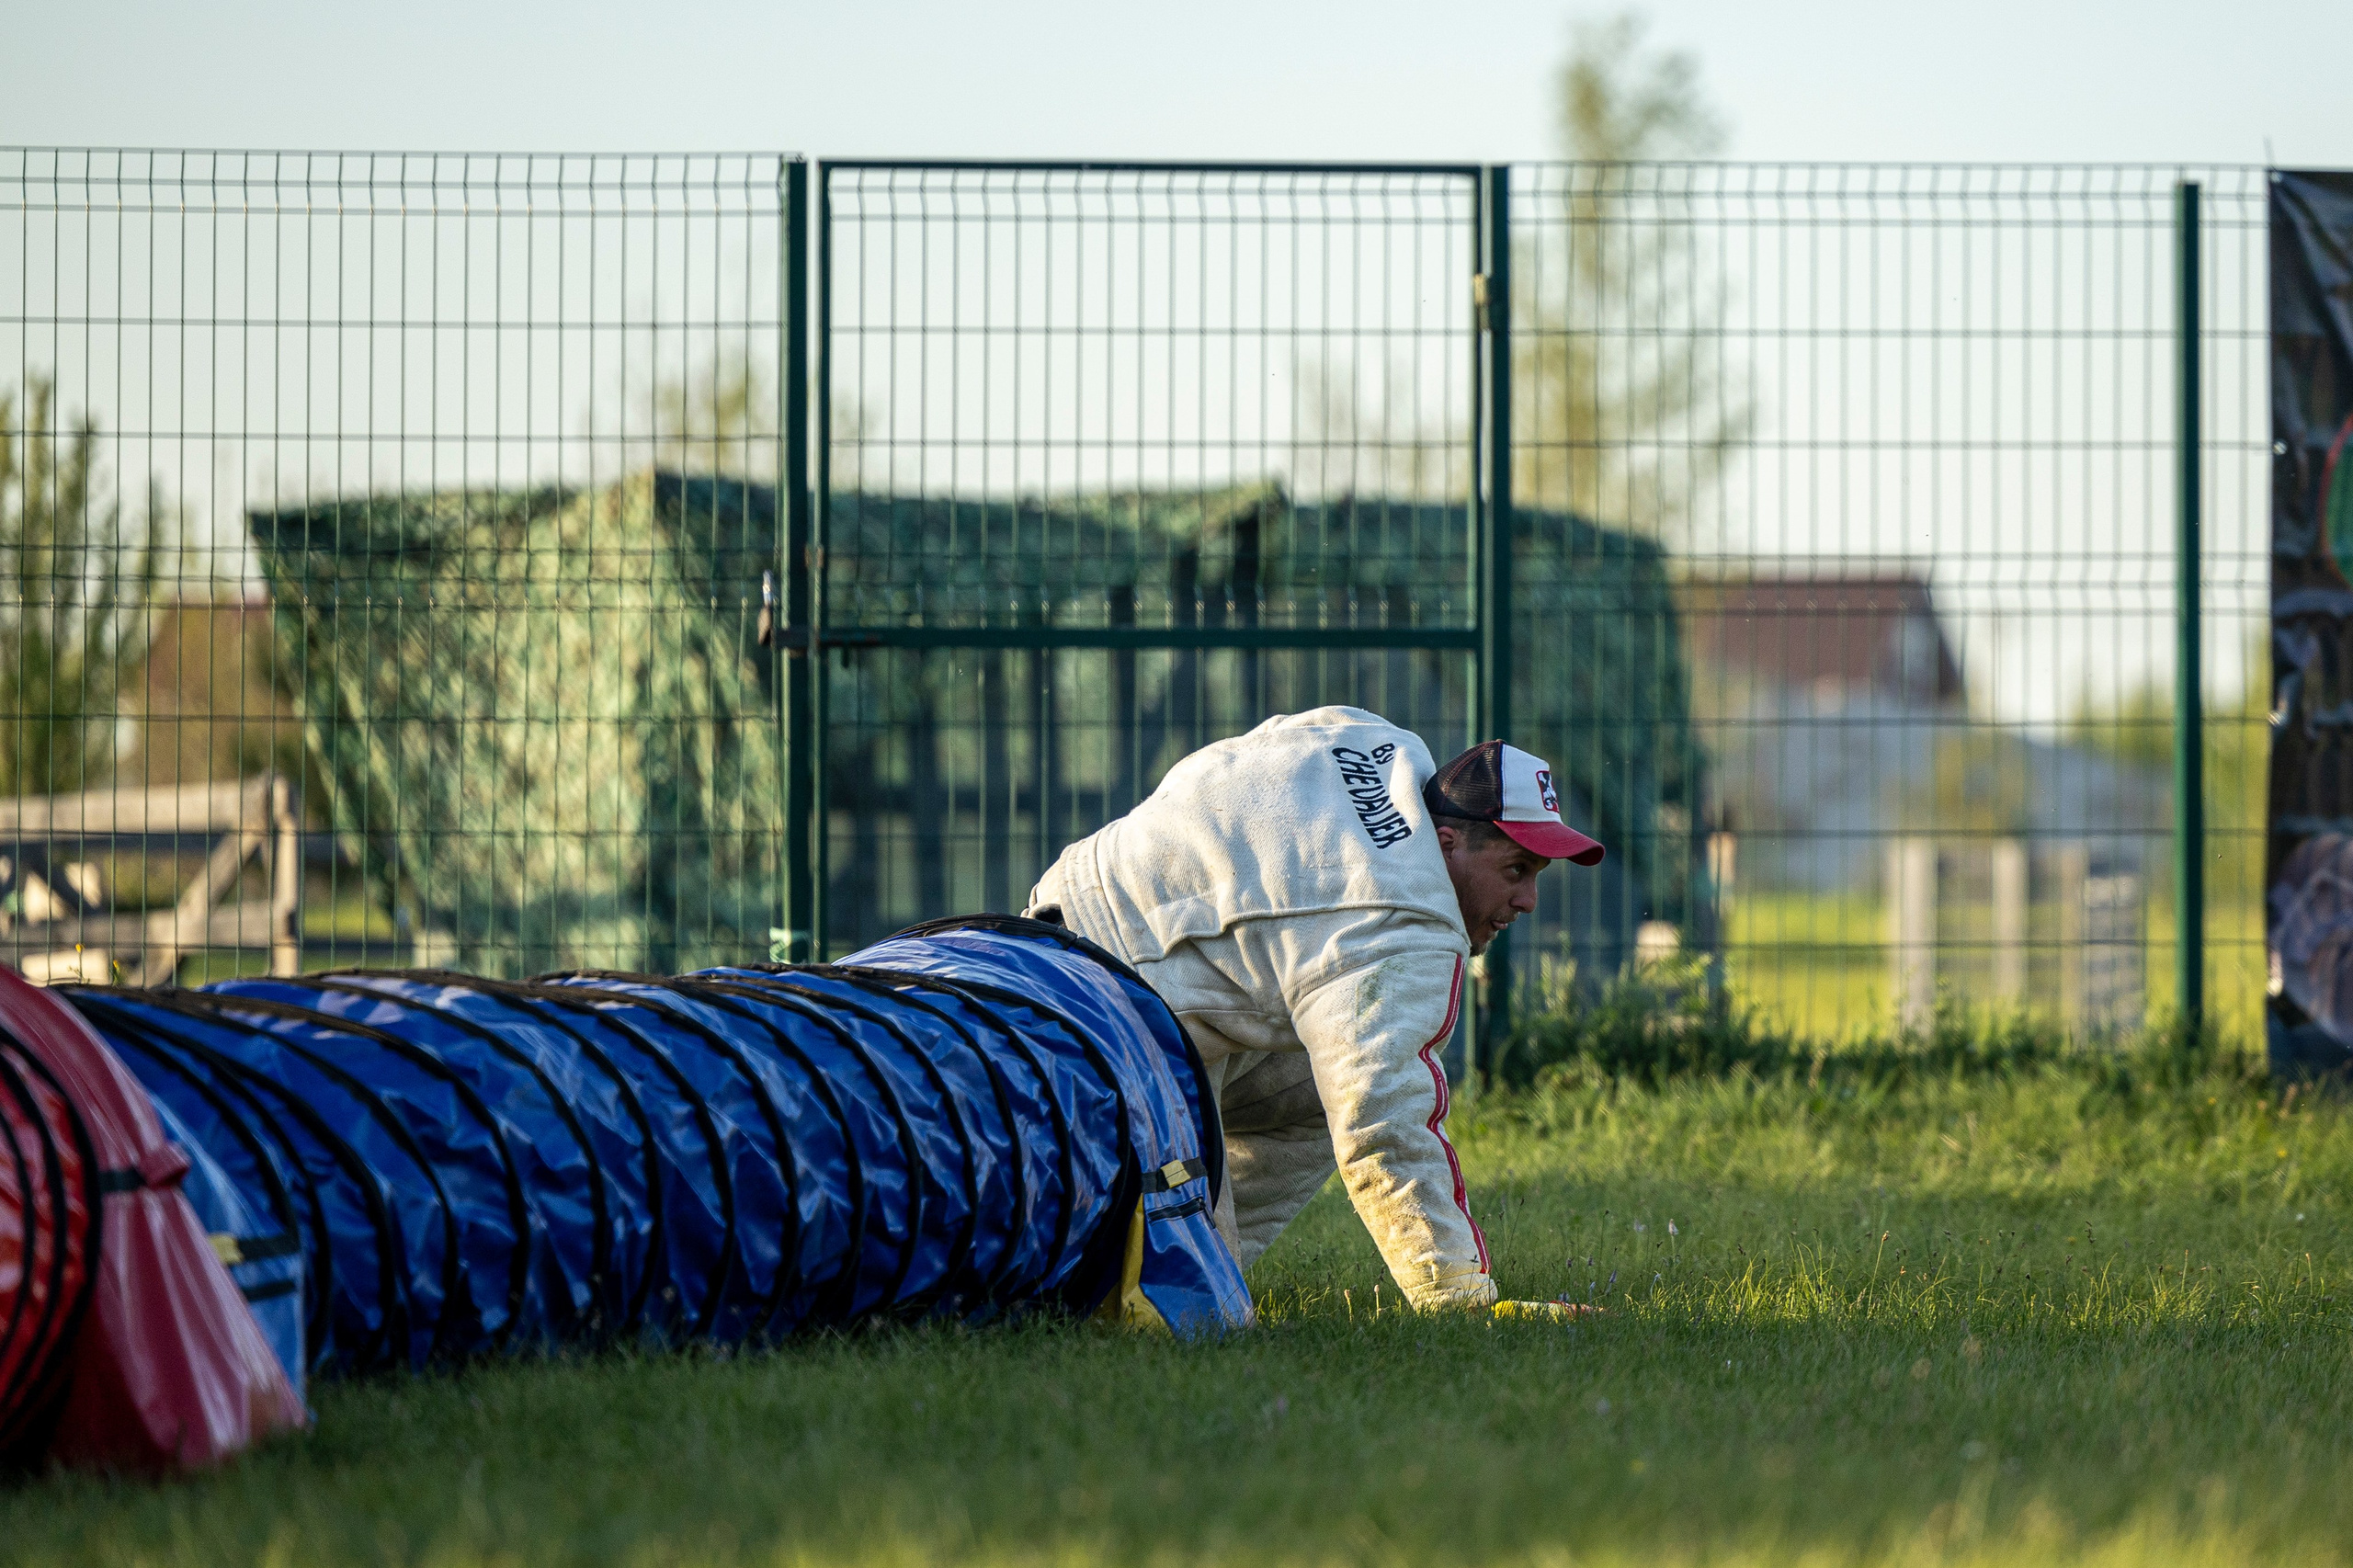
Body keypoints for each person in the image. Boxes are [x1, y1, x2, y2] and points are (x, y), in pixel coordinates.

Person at [1024, 706, 1605, 1314]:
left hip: (1085, 926)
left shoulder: (1376, 741)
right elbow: (1384, 1124)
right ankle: (1138, 1277)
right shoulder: (1405, 919)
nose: (1529, 900)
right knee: (1191, 1316)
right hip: (1101, 1005)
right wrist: (1457, 1296)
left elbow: (1270, 741)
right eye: (1516, 870)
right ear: (1446, 844)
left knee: (1311, 1092)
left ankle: (1195, 1253)